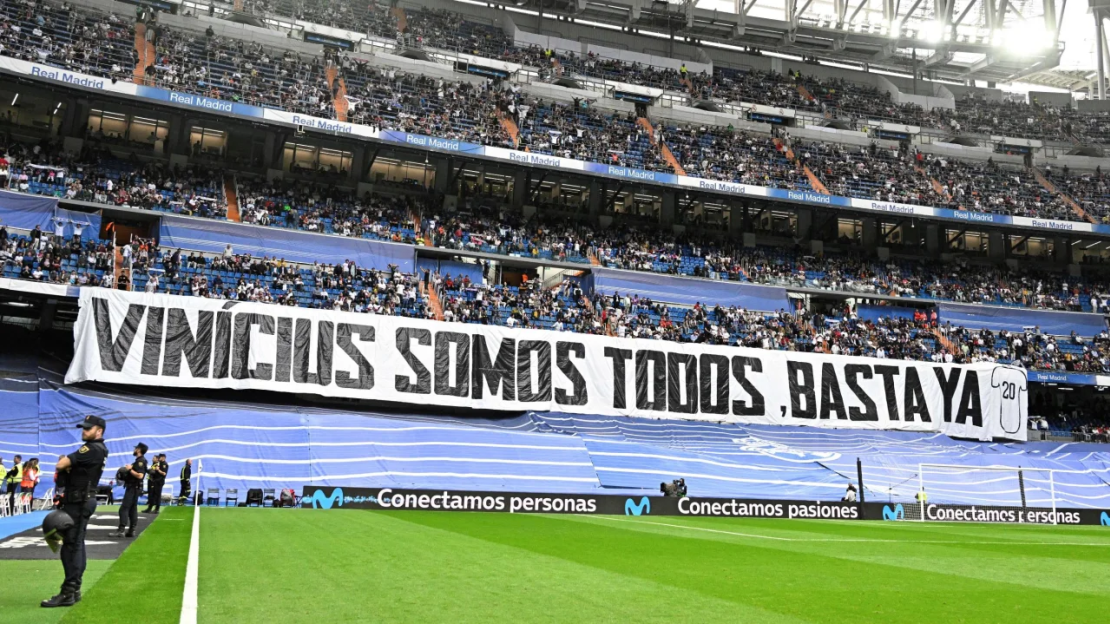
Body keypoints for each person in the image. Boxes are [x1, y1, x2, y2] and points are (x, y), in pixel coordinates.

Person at [41, 415, 108, 608]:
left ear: (99, 431)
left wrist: (66, 462)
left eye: (88, 428)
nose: (84, 431)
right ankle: (74, 589)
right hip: (79, 500)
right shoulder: (98, 449)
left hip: (80, 501)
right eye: (83, 428)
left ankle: (68, 592)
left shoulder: (91, 448)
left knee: (71, 546)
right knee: (75, 544)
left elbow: (61, 464)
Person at [110, 443, 148, 538]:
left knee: (124, 509)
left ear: (139, 450)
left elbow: (140, 475)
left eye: (135, 448)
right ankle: (131, 530)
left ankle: (121, 530)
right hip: (135, 488)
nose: (134, 450)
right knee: (132, 509)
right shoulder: (140, 461)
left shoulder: (140, 461)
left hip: (133, 488)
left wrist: (130, 469)